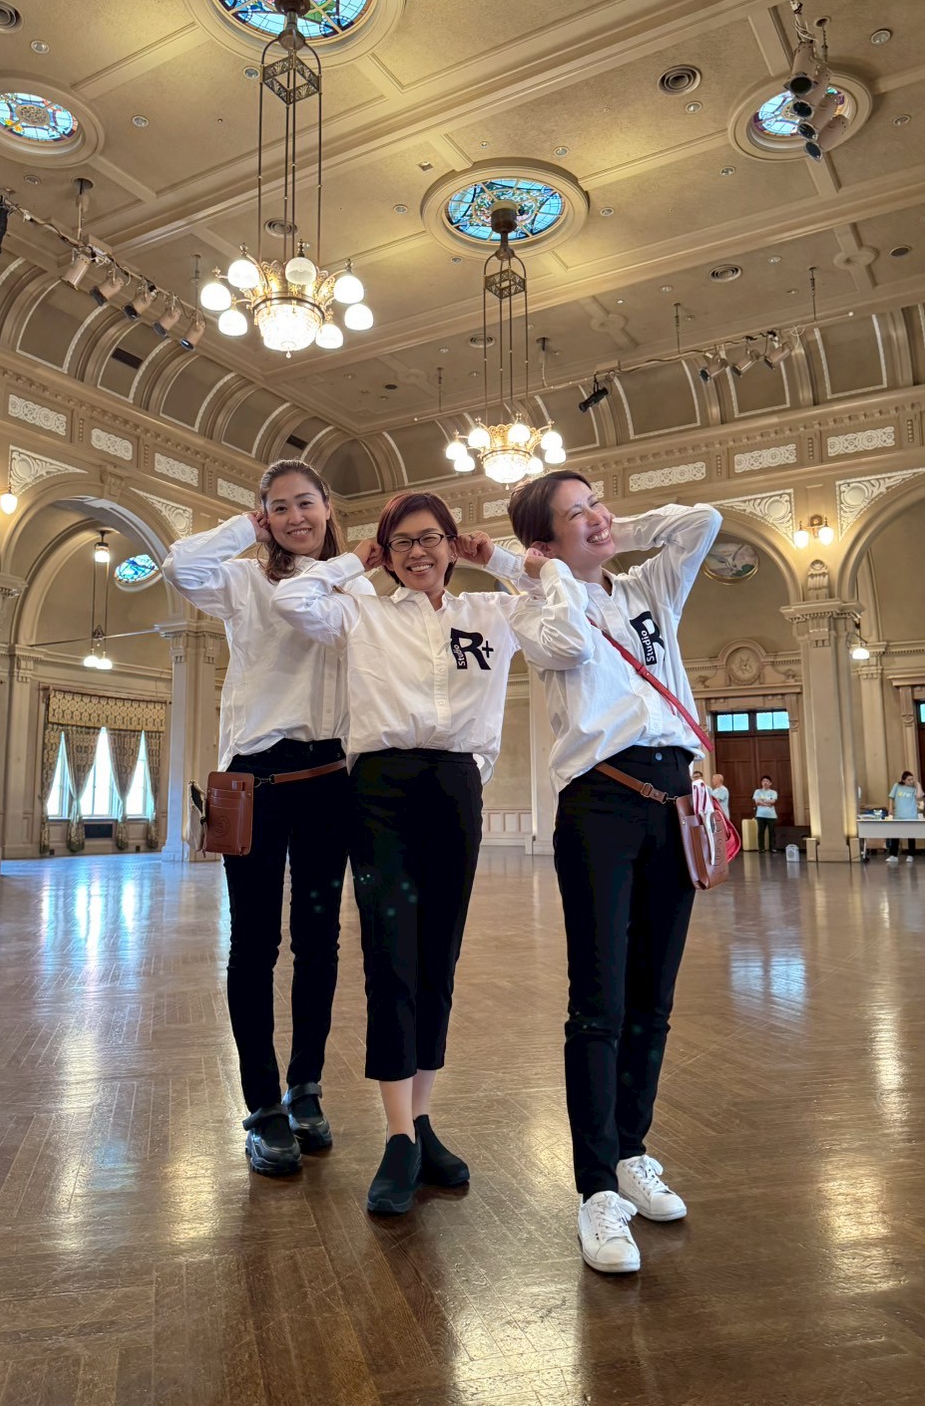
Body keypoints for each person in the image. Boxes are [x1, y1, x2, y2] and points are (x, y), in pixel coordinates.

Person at [273, 490, 592, 1215]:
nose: (418, 552)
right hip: (380, 789)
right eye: (402, 542)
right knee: (390, 956)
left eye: (431, 538)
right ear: (387, 554)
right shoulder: (362, 612)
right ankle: (396, 1136)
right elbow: (294, 600)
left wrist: (501, 559)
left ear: (453, 544)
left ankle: (421, 1121)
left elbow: (567, 629)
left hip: (455, 787)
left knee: (437, 958)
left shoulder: (492, 612)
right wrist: (355, 562)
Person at [506, 469, 722, 1276]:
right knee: (598, 1002)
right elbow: (566, 644)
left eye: (596, 501)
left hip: (676, 801)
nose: (596, 516)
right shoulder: (537, 607)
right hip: (601, 801)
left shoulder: (647, 588)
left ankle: (632, 1151)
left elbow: (703, 520)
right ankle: (596, 1189)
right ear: (543, 541)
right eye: (576, 513)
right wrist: (556, 571)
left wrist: (609, 531)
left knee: (653, 998)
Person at [162, 460, 374, 1179]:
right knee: (253, 946)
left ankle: (305, 1087)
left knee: (319, 942)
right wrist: (242, 529)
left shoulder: (352, 586)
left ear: (327, 506)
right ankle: (262, 1106)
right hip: (253, 781)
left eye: (304, 502)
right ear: (264, 517)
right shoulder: (243, 580)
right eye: (277, 506)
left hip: (329, 780)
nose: (293, 516)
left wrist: (346, 565)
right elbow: (179, 565)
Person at [885, 771, 920, 864]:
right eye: (909, 780)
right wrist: (890, 809)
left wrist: (918, 785)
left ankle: (911, 855)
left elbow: (919, 796)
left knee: (911, 836)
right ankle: (893, 855)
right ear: (903, 780)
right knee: (895, 835)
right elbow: (891, 797)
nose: (911, 781)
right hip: (899, 815)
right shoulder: (897, 786)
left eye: (912, 779)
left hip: (911, 815)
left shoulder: (914, 788)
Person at [753, 776, 778, 852]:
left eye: (767, 781)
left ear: (770, 783)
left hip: (771, 815)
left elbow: (773, 801)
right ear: (761, 783)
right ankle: (761, 848)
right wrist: (767, 803)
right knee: (761, 832)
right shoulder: (757, 791)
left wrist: (762, 800)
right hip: (760, 815)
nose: (765, 783)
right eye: (763, 781)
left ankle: (772, 847)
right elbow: (757, 802)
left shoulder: (773, 792)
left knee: (772, 832)